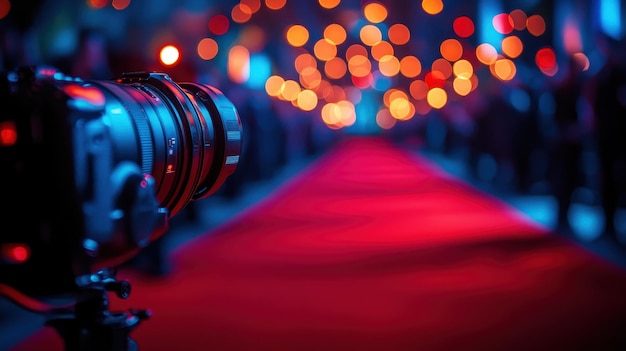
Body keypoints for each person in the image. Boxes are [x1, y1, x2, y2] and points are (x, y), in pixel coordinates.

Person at [591, 34, 626, 246]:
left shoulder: (620, 74)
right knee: (606, 181)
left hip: (619, 137)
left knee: (618, 180)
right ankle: (608, 225)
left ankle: (614, 227)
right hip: (603, 136)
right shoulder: (601, 73)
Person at [549, 55, 586, 234]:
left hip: (575, 144)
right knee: (562, 180)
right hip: (562, 144)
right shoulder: (561, 90)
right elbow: (553, 119)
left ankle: (566, 215)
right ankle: (561, 215)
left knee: (572, 180)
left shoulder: (580, 89)